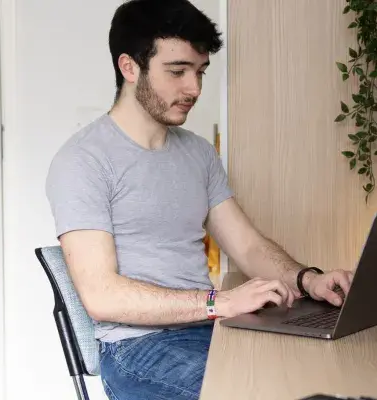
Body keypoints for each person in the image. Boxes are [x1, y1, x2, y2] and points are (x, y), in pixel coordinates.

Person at [44, 1, 354, 399]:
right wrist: (219, 301)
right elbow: (102, 296)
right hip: (138, 349)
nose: (194, 89)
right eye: (177, 72)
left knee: (328, 373)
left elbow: (248, 245)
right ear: (129, 67)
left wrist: (309, 279)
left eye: (200, 72)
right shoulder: (83, 161)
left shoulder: (198, 153)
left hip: (212, 330)